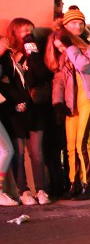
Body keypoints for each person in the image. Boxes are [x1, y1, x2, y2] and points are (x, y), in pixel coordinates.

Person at [49, 7, 90, 200]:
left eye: (80, 23)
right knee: (71, 145)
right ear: (65, 25)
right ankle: (74, 182)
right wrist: (57, 102)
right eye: (73, 23)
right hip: (72, 102)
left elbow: (84, 65)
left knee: (83, 143)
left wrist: (69, 47)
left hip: (88, 99)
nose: (78, 26)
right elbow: (59, 79)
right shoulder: (66, 54)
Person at [0, 18, 50, 204]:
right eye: (23, 30)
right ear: (14, 32)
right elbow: (5, 82)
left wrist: (32, 50)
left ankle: (41, 190)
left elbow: (40, 74)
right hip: (13, 110)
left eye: (30, 29)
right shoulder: (6, 55)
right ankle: (24, 191)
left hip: (35, 110)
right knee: (18, 152)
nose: (27, 33)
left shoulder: (34, 51)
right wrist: (18, 100)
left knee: (36, 152)